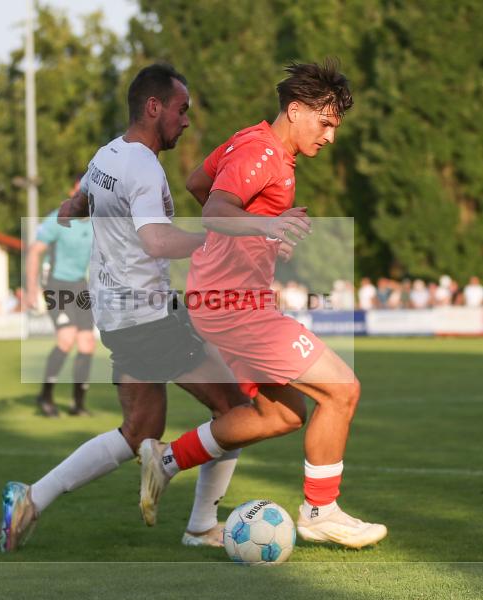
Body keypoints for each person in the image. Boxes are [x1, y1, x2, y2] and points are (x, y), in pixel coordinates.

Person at [0, 64, 255, 553]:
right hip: (149, 317)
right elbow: (156, 241)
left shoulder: (107, 155)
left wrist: (71, 211)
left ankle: (31, 498)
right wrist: (219, 242)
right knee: (237, 412)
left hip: (117, 318)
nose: (186, 121)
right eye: (181, 110)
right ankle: (201, 524)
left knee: (140, 431)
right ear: (153, 107)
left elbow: (80, 201)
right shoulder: (143, 167)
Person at [138, 60, 387, 549]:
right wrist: (267, 226)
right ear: (295, 111)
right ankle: (320, 512)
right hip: (234, 307)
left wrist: (257, 232)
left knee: (282, 415)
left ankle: (166, 460)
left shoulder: (249, 141)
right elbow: (214, 209)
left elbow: (197, 182)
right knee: (342, 390)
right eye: (325, 123)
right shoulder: (262, 153)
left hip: (225, 303)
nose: (330, 136)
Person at [26, 180, 96, 417]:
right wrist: (31, 288)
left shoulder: (97, 222)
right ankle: (45, 397)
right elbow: (35, 251)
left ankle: (78, 405)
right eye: (80, 188)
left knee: (87, 343)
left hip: (80, 285)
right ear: (72, 191)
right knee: (66, 338)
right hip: (56, 285)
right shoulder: (57, 219)